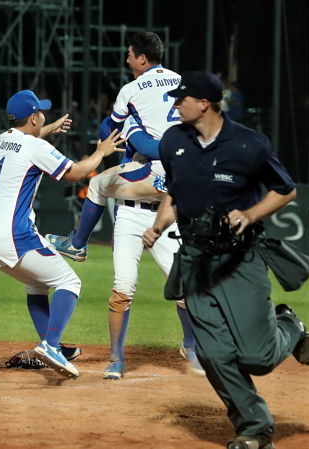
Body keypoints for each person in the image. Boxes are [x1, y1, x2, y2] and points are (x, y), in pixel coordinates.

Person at [143, 71, 309, 449]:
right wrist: (159, 223)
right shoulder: (173, 141)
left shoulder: (249, 144)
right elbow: (175, 191)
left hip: (239, 259)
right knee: (212, 352)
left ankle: (289, 324)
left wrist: (251, 215)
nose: (175, 104)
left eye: (181, 98)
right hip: (194, 260)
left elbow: (285, 190)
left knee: (258, 357)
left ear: (204, 103)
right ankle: (254, 428)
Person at [46, 31, 203, 379]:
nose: (128, 60)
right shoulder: (183, 83)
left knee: (99, 182)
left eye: (131, 55)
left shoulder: (131, 94)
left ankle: (77, 243)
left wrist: (121, 134)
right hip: (153, 203)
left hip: (160, 202)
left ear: (142, 59)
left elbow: (109, 129)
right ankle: (118, 358)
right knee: (130, 287)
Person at [0, 89, 123, 379]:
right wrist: (101, 152)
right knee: (69, 281)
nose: (44, 115)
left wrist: (49, 129)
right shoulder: (34, 147)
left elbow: (26, 144)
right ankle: (51, 345)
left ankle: (50, 342)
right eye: (41, 113)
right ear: (32, 118)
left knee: (37, 285)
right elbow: (77, 172)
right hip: (14, 235)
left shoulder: (2, 139)